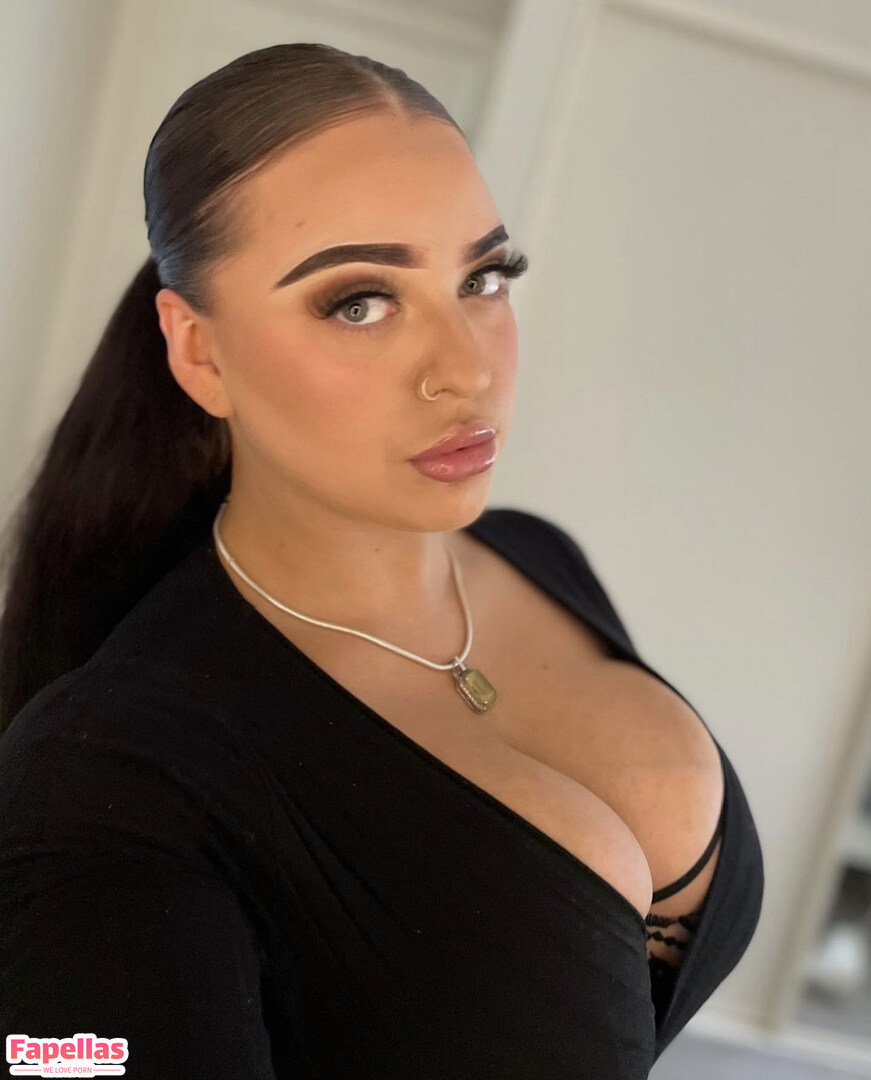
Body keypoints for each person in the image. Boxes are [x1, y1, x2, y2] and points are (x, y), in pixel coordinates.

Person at [0, 42, 763, 1079]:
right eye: (359, 301)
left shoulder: (535, 556)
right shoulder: (104, 781)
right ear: (199, 352)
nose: (466, 370)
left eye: (482, 278)